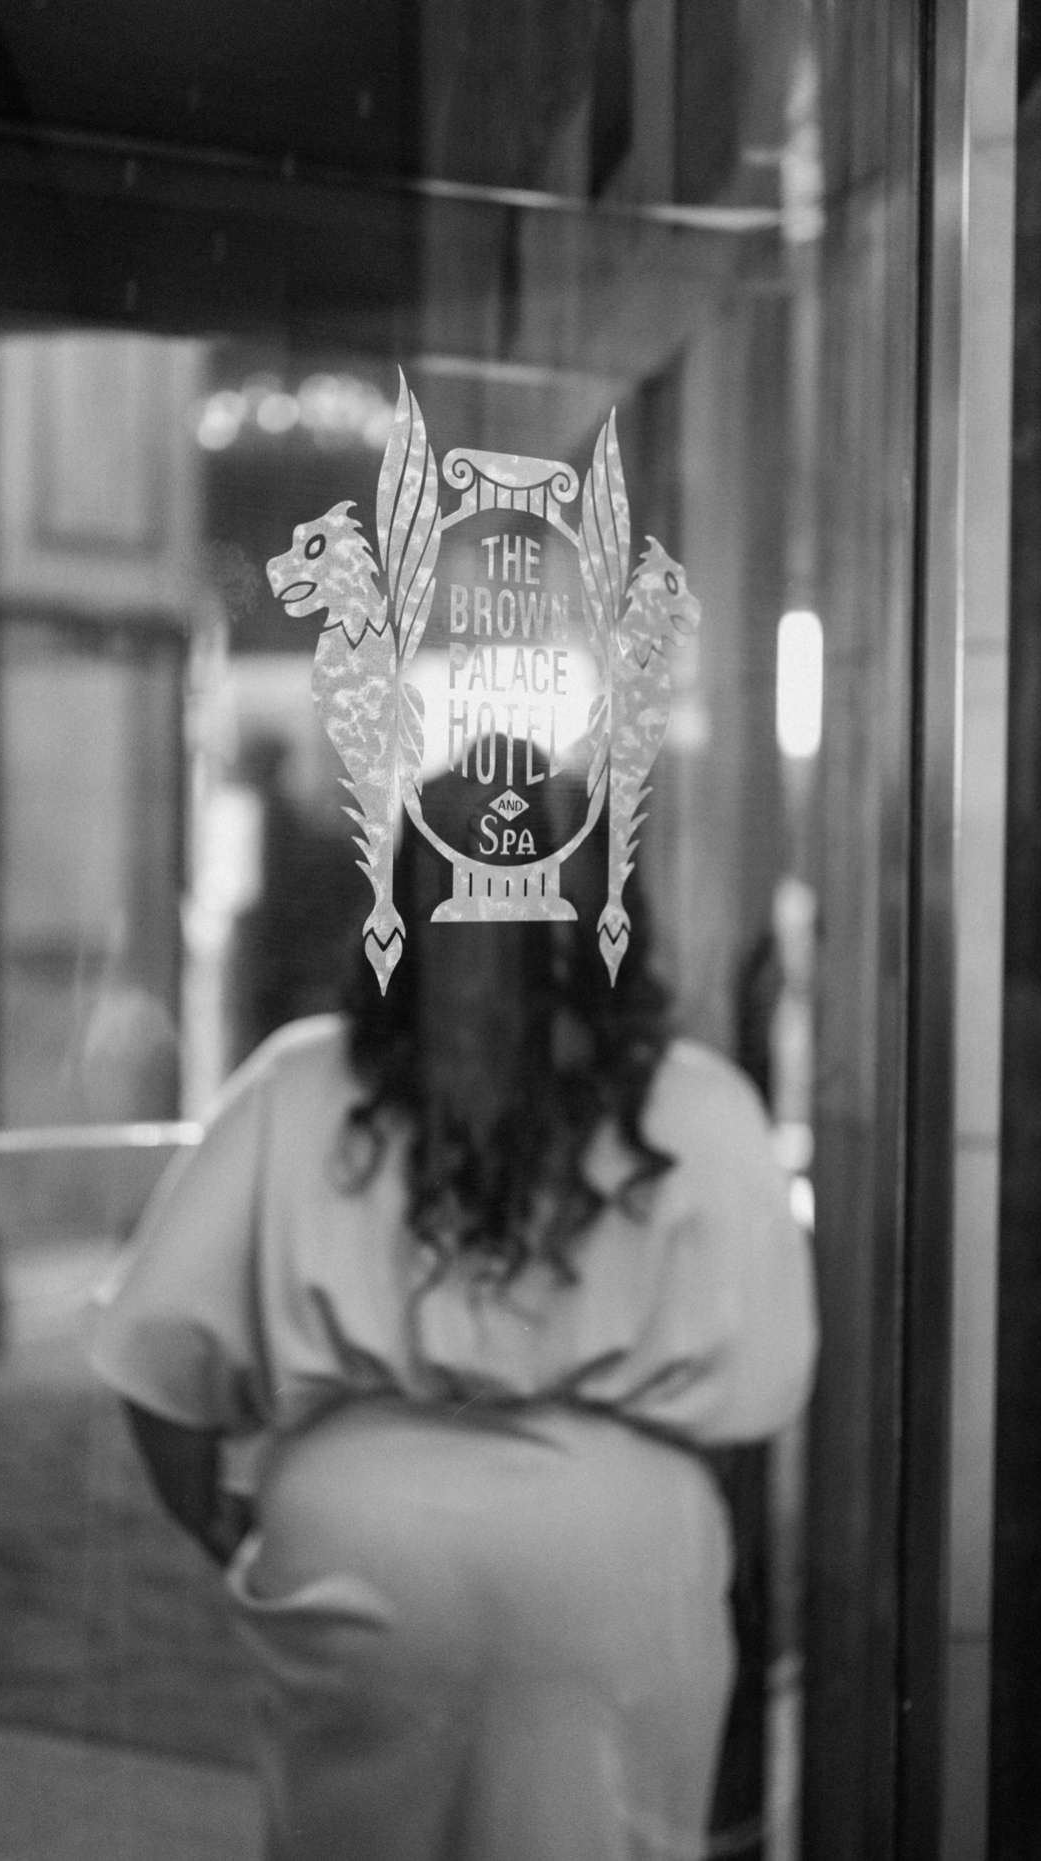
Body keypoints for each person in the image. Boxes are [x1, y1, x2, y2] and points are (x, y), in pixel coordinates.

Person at [89, 768, 817, 1861]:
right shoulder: (700, 1104)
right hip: (621, 1566)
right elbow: (758, 1393)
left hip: (361, 1566)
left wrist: (243, 1528)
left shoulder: (300, 1086)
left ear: (401, 902)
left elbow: (158, 1363)